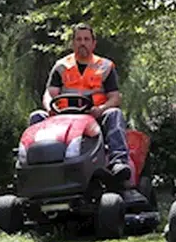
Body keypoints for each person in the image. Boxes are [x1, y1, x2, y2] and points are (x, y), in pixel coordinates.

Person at [31, 23, 132, 184]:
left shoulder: (105, 66)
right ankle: (35, 165)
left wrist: (102, 108)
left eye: (86, 39)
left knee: (114, 114)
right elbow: (49, 94)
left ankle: (118, 161)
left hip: (94, 117)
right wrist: (51, 108)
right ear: (73, 43)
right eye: (78, 39)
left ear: (93, 43)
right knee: (36, 117)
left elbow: (114, 97)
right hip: (63, 117)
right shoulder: (61, 66)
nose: (82, 43)